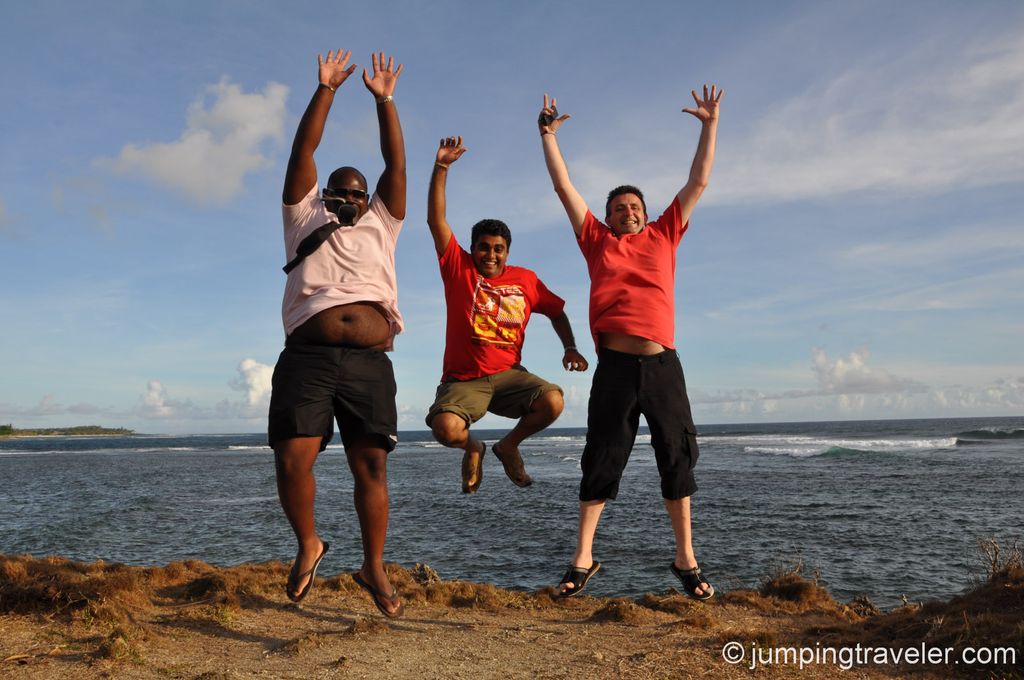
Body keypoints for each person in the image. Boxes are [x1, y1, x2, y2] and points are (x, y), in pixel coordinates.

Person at [538, 85, 722, 599]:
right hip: (615, 368)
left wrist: (709, 126)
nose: (629, 212)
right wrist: (548, 135)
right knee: (601, 457)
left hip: (663, 366)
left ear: (646, 213)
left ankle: (685, 559)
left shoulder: (665, 234)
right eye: (619, 208)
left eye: (635, 206)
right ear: (609, 216)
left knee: (677, 456)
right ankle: (583, 559)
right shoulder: (596, 241)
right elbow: (563, 186)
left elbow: (699, 179)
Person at [268, 49, 406, 618]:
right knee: (291, 459)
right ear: (323, 193)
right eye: (339, 190)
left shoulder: (382, 222)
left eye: (357, 192)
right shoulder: (303, 218)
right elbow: (304, 150)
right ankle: (309, 544)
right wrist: (325, 89)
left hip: (369, 363)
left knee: (370, 467)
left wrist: (385, 102)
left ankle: (373, 566)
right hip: (308, 354)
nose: (349, 198)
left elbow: (396, 166)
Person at [426, 135, 588, 494]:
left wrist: (570, 347)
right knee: (446, 429)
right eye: (483, 248)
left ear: (507, 251)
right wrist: (441, 168)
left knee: (553, 400)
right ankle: (475, 447)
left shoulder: (526, 280)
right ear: (472, 250)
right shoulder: (458, 269)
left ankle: (508, 445)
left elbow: (557, 312)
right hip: (464, 379)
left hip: (509, 376)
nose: (490, 255)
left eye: (498, 249)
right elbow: (436, 220)